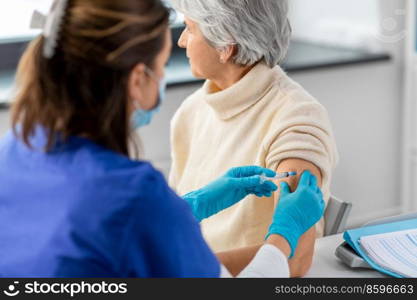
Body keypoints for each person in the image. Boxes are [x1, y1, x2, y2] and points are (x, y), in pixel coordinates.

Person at [0, 0, 324, 278]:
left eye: (189, 29)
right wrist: (284, 235)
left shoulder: (14, 149)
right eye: (163, 63)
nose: (182, 42)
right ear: (138, 79)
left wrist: (185, 209)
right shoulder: (135, 195)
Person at [168, 0, 339, 276]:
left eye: (189, 28)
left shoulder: (295, 120)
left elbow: (295, 260)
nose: (182, 41)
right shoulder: (192, 110)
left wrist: (180, 269)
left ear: (226, 46)